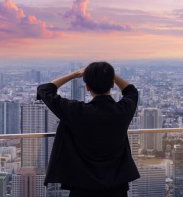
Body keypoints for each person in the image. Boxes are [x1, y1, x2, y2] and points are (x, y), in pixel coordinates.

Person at [37, 61, 139, 197]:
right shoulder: (122, 110)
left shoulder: (76, 111)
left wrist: (74, 74)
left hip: (82, 186)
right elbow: (131, 91)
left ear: (87, 87)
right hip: (117, 187)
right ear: (113, 84)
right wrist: (110, 75)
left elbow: (44, 90)